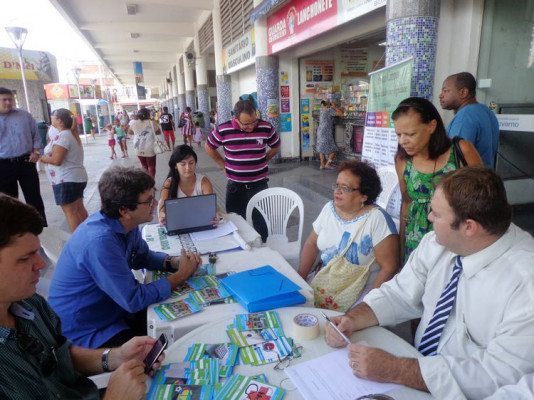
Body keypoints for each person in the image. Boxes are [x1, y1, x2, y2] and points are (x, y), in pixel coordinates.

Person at [324, 167, 534, 399]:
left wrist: (396, 370)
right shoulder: (438, 242)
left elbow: (499, 374)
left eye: (436, 213)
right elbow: (400, 292)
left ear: (469, 227)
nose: (429, 218)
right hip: (416, 371)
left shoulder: (525, 285)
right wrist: (354, 318)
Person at [0, 194, 165, 400]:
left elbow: (61, 356)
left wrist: (116, 356)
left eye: (36, 253)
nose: (41, 265)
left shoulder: (30, 304)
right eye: (24, 259)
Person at [48, 166, 201, 348]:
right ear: (124, 210)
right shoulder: (100, 241)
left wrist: (173, 262)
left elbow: (142, 257)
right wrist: (181, 274)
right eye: (149, 200)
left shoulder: (126, 224)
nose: (155, 203)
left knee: (185, 320)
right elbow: (134, 300)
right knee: (157, 350)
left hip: (112, 309)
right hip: (86, 331)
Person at [393, 97, 483, 263]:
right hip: (416, 241)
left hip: (456, 240)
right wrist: (401, 249)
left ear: (431, 126)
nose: (402, 141)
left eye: (411, 134)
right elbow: (406, 203)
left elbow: (484, 200)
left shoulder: (461, 151)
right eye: (399, 134)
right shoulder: (402, 160)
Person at [298, 161, 399, 306]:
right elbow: (311, 243)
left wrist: (365, 306)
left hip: (360, 291)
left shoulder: (377, 219)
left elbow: (389, 267)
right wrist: (300, 278)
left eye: (345, 188)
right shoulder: (328, 209)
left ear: (364, 196)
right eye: (337, 185)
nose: (337, 191)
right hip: (325, 283)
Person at [205, 99, 280, 242]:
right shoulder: (223, 129)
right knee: (236, 224)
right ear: (235, 118)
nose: (251, 127)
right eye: (246, 124)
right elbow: (209, 147)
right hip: (235, 188)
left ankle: (263, 249)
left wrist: (263, 159)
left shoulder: (265, 127)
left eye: (253, 121)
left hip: (259, 186)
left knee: (262, 224)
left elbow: (276, 145)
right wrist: (223, 164)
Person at [0, 87, 47, 225]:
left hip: (26, 162)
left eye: (10, 99)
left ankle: (41, 228)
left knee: (34, 198)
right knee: (8, 202)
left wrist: (36, 152)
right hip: (3, 165)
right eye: (4, 100)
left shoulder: (24, 115)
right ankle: (13, 232)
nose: (8, 103)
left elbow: (36, 136)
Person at [40, 109, 89, 232]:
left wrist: (42, 158)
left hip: (66, 179)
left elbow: (57, 160)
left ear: (60, 121)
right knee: (78, 210)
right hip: (74, 177)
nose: (51, 118)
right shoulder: (70, 134)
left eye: (53, 117)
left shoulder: (63, 136)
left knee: (71, 212)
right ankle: (87, 236)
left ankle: (77, 240)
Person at [440, 72, 500, 168]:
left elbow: (456, 158)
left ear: (463, 92)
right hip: (485, 174)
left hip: (467, 176)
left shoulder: (465, 116)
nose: (440, 95)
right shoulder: (486, 111)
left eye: (446, 91)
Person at [158, 145, 217, 225]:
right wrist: (163, 216)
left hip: (199, 222)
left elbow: (211, 205)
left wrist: (215, 214)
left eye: (191, 163)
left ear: (195, 163)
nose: (188, 168)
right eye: (183, 164)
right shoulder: (169, 184)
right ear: (175, 166)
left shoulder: (204, 182)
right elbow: (162, 208)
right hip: (178, 224)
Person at [128, 107, 162, 179]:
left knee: (144, 166)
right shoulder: (152, 122)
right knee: (151, 166)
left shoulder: (134, 123)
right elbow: (159, 132)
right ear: (148, 115)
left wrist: (138, 132)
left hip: (138, 147)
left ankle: (146, 182)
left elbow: (130, 132)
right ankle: (151, 182)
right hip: (149, 147)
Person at [316, 100, 343, 169]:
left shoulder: (322, 111)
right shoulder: (329, 110)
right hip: (326, 132)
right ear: (329, 104)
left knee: (321, 148)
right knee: (333, 150)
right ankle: (328, 164)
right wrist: (334, 107)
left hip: (320, 131)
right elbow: (341, 114)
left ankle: (322, 164)